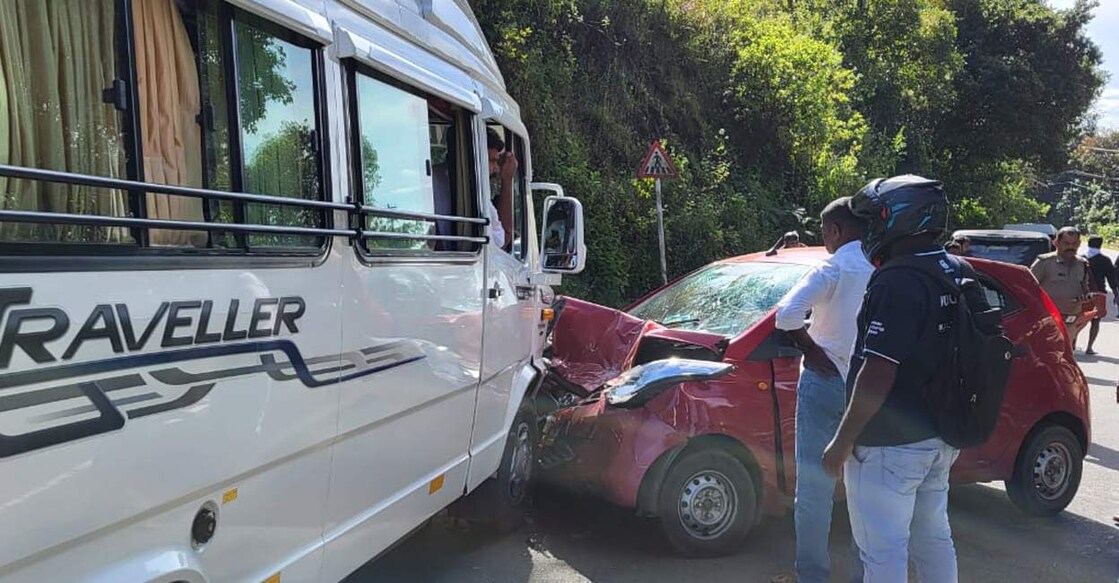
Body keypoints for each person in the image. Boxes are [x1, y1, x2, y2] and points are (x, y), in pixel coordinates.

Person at [823, 175, 987, 583]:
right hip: (940, 437)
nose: (868, 231)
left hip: (888, 445)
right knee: (933, 538)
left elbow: (877, 372)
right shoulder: (957, 268)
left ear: (900, 219)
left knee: (881, 553)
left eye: (874, 219)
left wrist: (841, 443)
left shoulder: (898, 279)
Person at [774, 197, 872, 583]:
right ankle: (865, 574)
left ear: (834, 231)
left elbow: (786, 315)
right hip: (866, 388)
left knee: (815, 490)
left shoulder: (833, 268)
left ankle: (812, 576)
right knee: (864, 490)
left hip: (825, 383)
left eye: (824, 231)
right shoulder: (880, 269)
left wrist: (812, 351)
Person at [1031, 227, 1091, 348]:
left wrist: (1085, 298)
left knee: (1064, 356)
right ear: (1056, 243)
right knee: (1046, 355)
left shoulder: (1082, 264)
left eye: (1074, 243)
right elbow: (1028, 289)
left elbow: (1085, 289)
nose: (1071, 247)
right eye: (1066, 243)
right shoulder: (1044, 262)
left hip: (1071, 322)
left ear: (1079, 244)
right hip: (1047, 321)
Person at [1085, 236, 1119, 354]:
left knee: (1077, 319)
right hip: (1099, 292)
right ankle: (1089, 347)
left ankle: (1072, 344)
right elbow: (1111, 278)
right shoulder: (1105, 260)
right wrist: (1115, 293)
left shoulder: (1080, 258)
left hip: (1082, 293)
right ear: (1100, 245)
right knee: (1095, 320)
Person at [487, 128, 517, 251]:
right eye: (492, 161)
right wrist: (507, 179)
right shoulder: (476, 197)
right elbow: (502, 240)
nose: (496, 169)